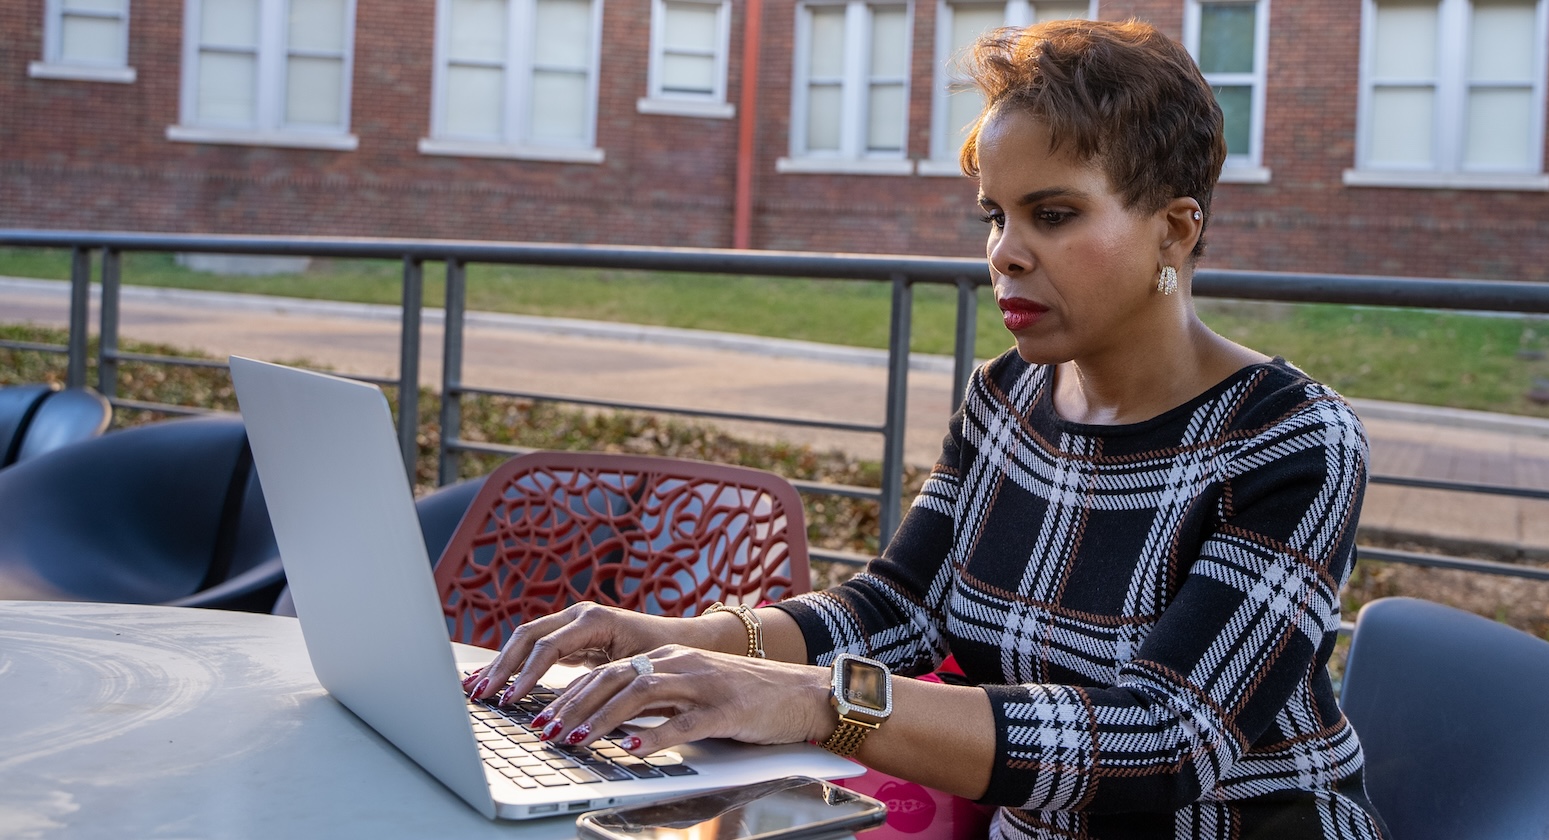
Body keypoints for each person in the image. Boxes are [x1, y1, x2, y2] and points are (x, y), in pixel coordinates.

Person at [464, 18, 1388, 840]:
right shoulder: (1004, 401)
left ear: (1176, 231)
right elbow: (895, 609)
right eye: (995, 214)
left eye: (1053, 214)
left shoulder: (1292, 441)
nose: (1005, 252)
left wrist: (822, 705)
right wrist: (664, 634)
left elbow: (1165, 742)